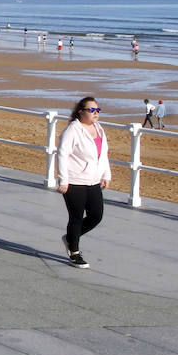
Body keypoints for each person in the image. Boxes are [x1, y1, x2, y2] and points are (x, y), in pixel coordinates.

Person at [57, 96, 110, 268]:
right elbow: (62, 154)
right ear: (81, 112)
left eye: (97, 110)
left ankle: (70, 238)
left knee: (96, 216)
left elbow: (103, 155)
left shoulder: (99, 129)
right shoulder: (72, 130)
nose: (96, 113)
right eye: (91, 110)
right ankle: (74, 252)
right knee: (76, 218)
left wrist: (106, 175)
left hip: (93, 180)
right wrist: (63, 180)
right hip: (74, 181)